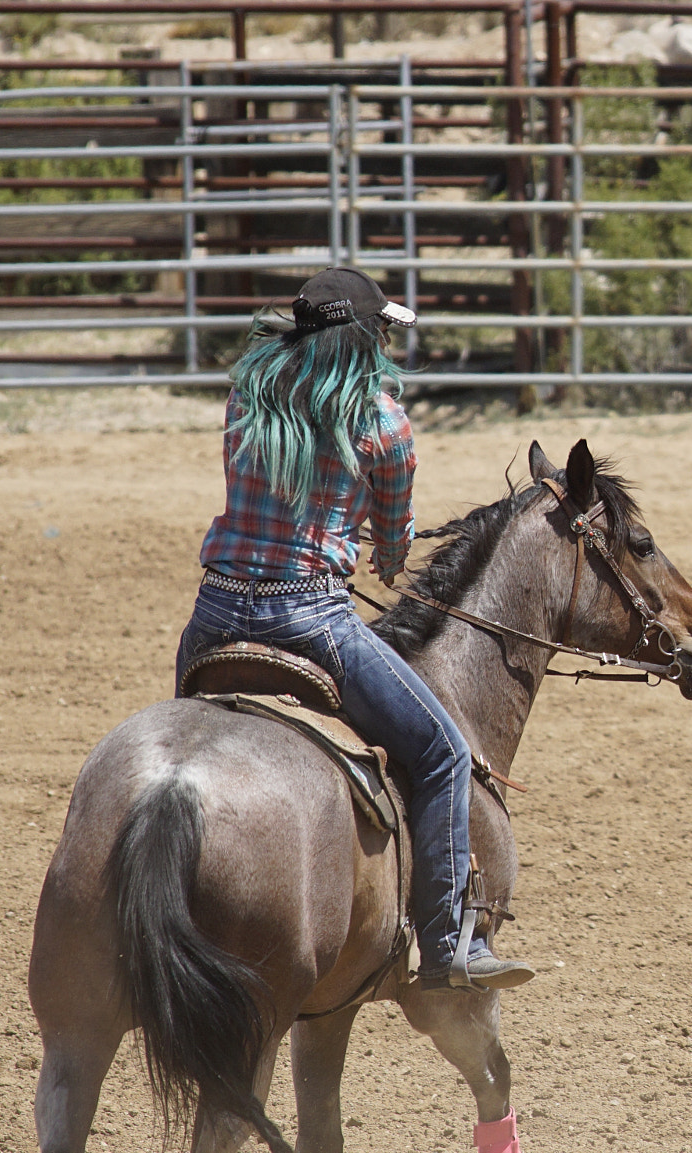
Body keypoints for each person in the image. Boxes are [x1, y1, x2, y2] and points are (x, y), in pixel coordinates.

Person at [174, 267, 532, 991]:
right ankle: (447, 942)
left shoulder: (248, 396)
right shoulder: (381, 421)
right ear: (367, 335)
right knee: (441, 754)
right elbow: (391, 545)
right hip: (311, 618)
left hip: (212, 619)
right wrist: (388, 551)